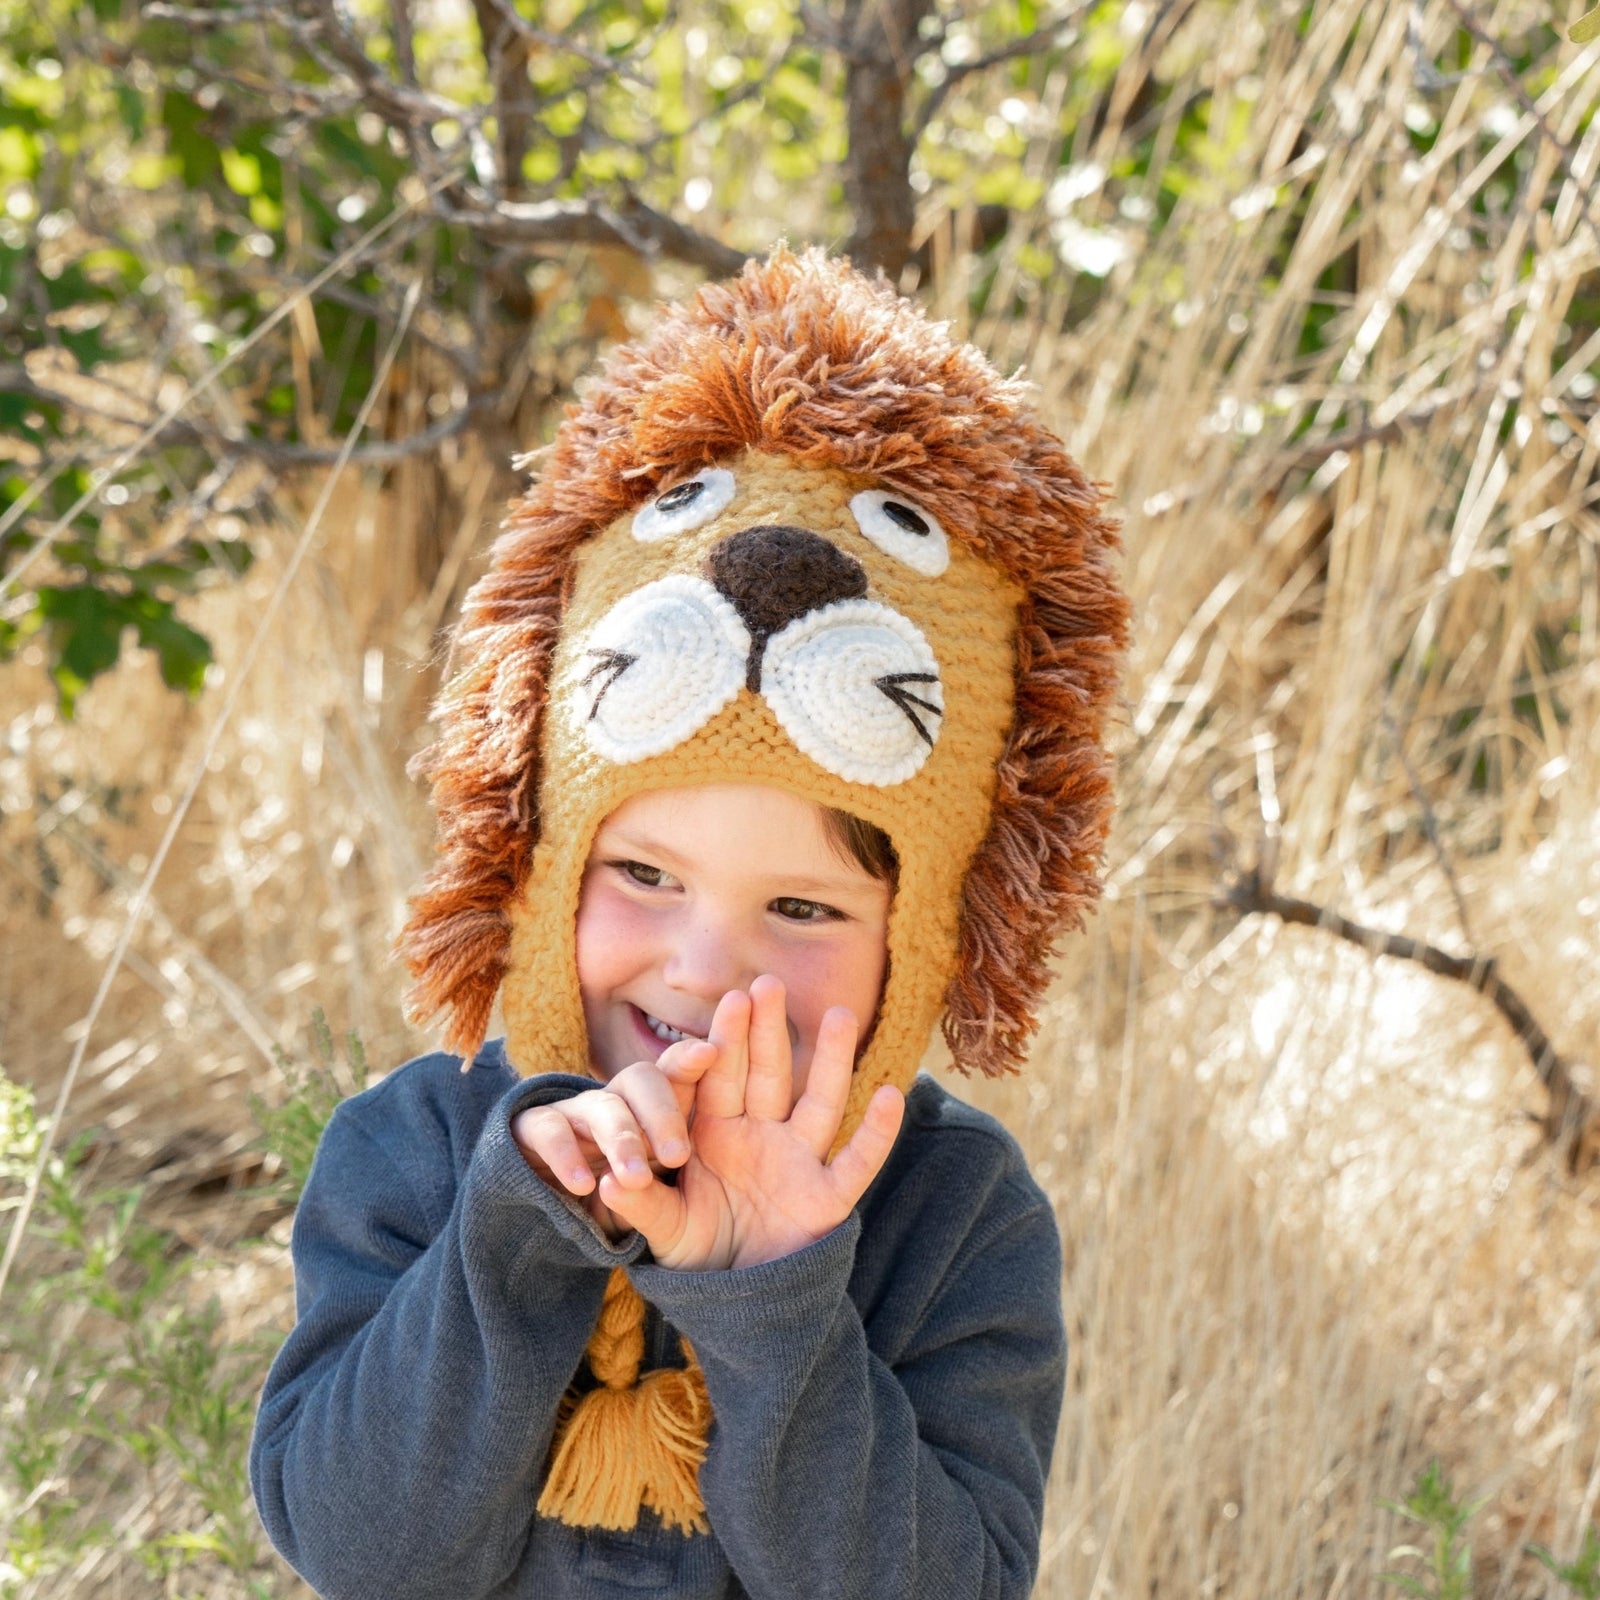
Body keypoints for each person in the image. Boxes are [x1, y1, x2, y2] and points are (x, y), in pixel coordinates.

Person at [249, 245, 1129, 1600]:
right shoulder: (418, 1155)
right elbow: (364, 1552)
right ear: (540, 867)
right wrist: (514, 1227)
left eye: (803, 907)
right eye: (645, 876)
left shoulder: (954, 1215)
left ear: (925, 943)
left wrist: (774, 1289)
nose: (706, 966)